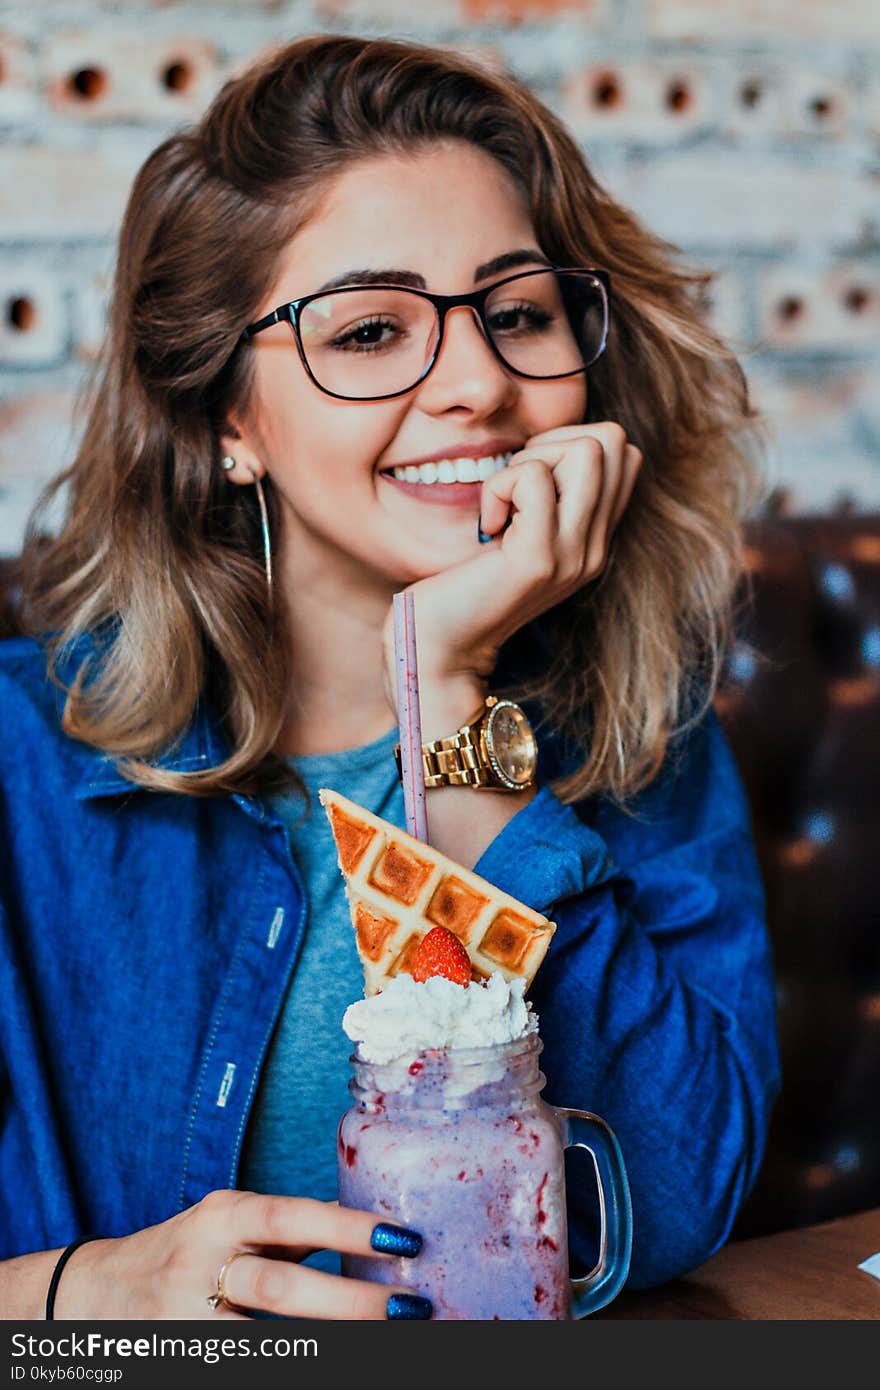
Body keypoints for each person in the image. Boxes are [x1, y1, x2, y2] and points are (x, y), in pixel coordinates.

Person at [0, 33, 780, 1320]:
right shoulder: (27, 761)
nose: (478, 383)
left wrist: (454, 699)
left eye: (518, 314)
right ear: (225, 421)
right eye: (369, 331)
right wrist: (91, 1291)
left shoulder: (637, 723)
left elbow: (676, 1202)